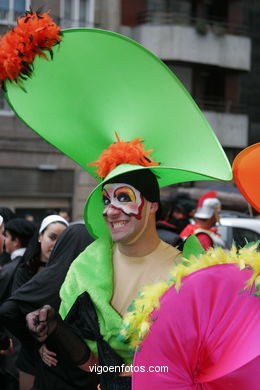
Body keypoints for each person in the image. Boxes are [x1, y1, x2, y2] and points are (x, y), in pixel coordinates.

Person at [0, 13, 232, 390]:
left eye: (124, 198)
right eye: (106, 199)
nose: (110, 209)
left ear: (153, 205)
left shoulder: (188, 273)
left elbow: (193, 366)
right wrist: (55, 331)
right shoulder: (85, 266)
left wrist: (127, 375)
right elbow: (93, 367)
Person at [0, 223, 97, 390]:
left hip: (53, 370)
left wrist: (37, 340)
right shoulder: (97, 280)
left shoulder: (50, 277)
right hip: (88, 372)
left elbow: (8, 311)